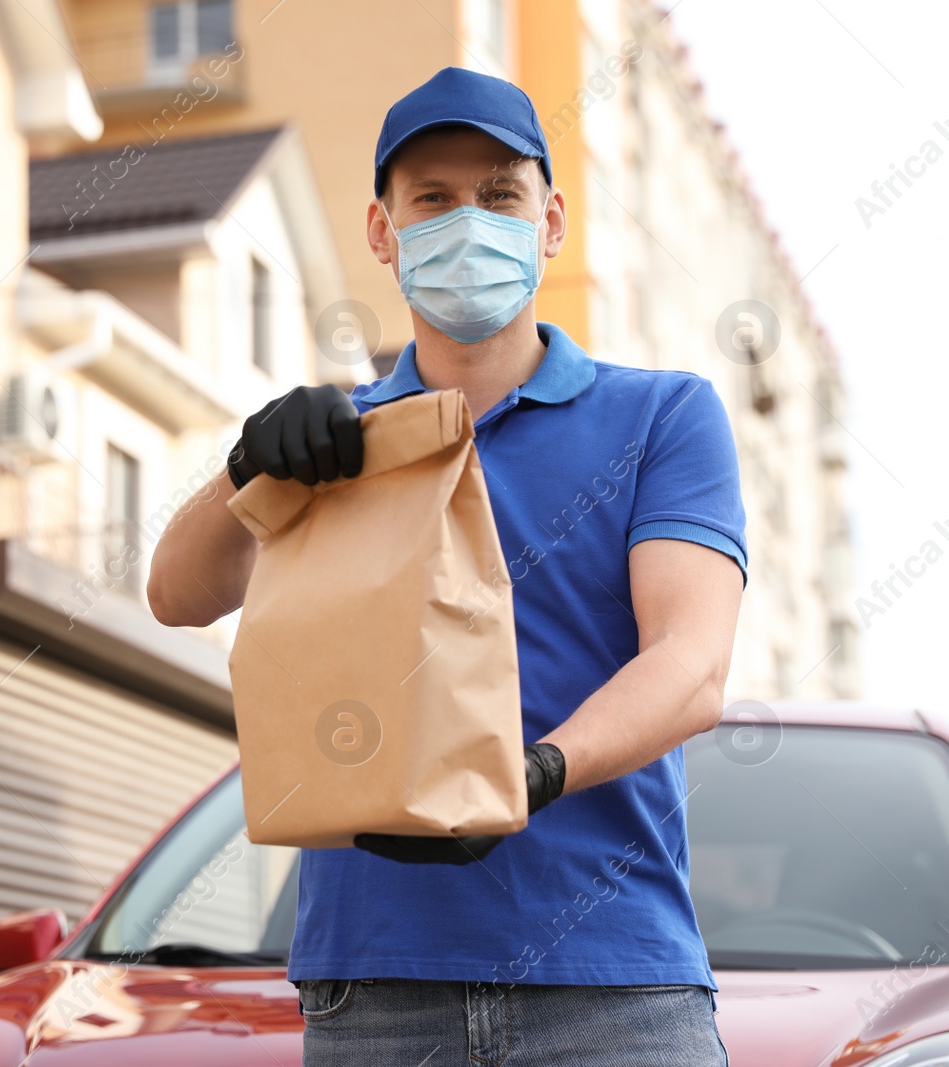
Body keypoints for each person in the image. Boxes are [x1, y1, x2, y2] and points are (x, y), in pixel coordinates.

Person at [146, 66, 746, 1065]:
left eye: (499, 194)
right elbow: (175, 592)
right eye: (432, 197)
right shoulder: (337, 442)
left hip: (613, 987)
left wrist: (534, 773)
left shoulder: (660, 418)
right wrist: (247, 463)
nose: (468, 221)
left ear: (549, 220)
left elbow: (691, 663)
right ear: (383, 234)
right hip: (377, 988)